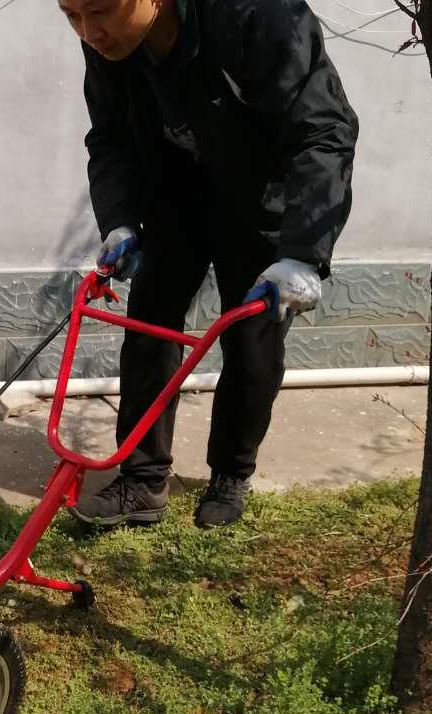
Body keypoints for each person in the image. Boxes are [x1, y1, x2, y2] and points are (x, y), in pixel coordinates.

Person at [60, 0, 358, 528]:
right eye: (72, 16)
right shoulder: (108, 43)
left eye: (100, 11)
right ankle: (143, 477)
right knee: (149, 325)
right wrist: (121, 221)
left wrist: (303, 252)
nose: (90, 32)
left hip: (257, 195)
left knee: (251, 337)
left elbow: (324, 129)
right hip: (175, 195)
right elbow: (109, 136)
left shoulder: (256, 15)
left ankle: (230, 472)